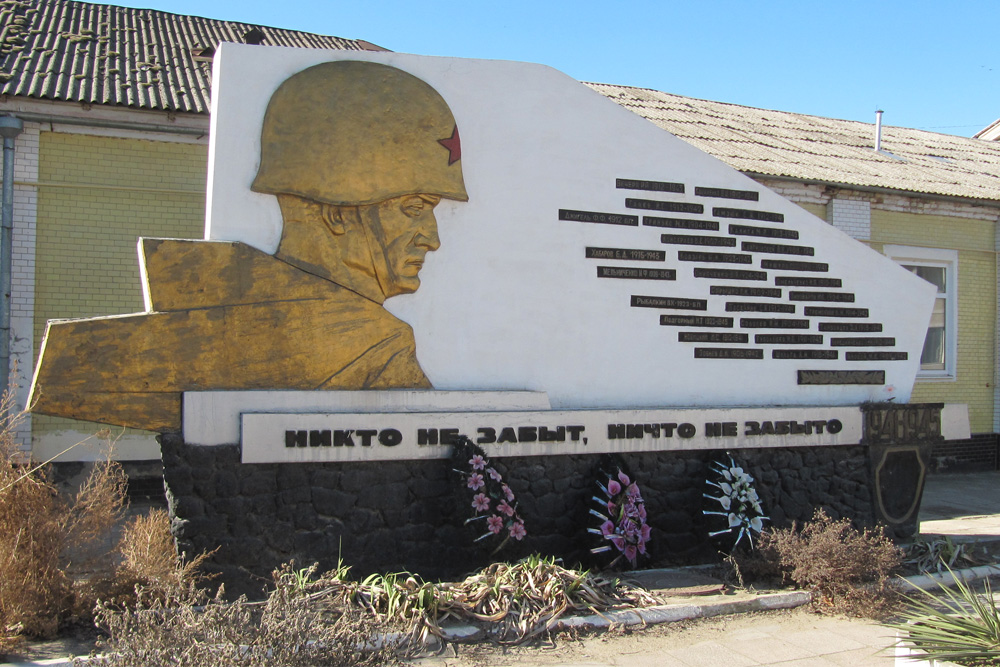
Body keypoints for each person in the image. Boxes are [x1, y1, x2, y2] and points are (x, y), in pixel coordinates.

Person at [28, 61, 468, 432]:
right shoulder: (377, 348)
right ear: (337, 211)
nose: (433, 237)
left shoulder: (217, 299)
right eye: (414, 207)